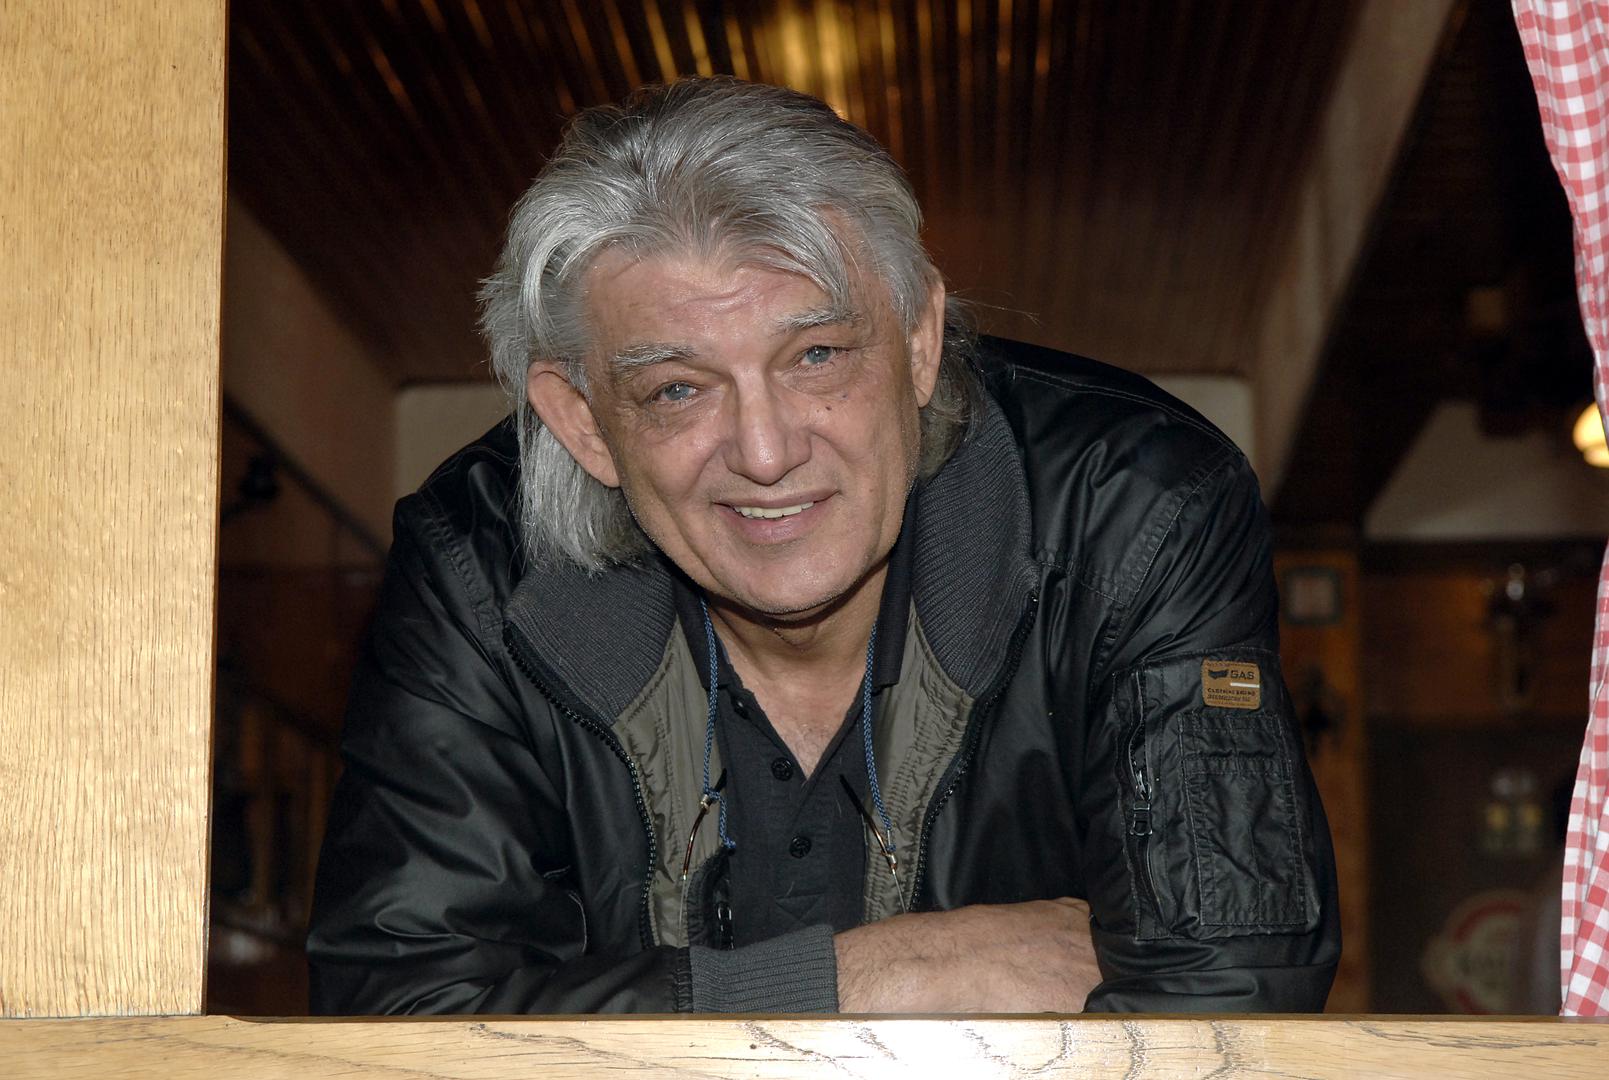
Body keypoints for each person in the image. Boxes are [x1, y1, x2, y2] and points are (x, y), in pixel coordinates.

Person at [306, 77, 1340, 1014]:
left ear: (921, 341)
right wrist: (879, 977)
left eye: (816, 355)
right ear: (581, 424)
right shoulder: (480, 567)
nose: (765, 453)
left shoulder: (1132, 511)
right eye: (677, 389)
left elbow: (1229, 1003)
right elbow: (395, 1021)